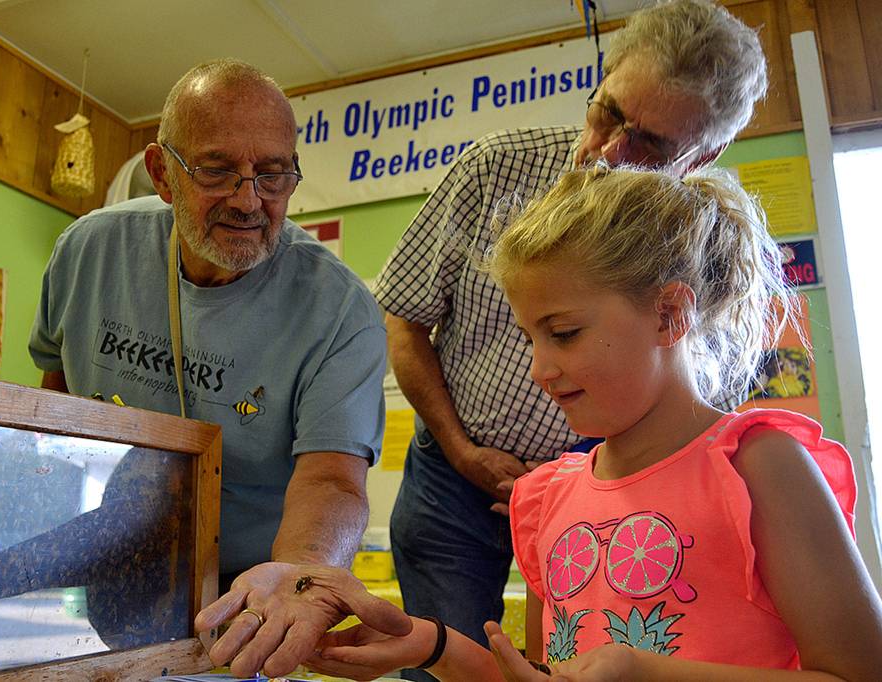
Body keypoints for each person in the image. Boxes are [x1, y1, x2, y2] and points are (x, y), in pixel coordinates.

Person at [304, 165, 882, 681]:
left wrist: (644, 672)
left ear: (669, 314)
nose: (539, 370)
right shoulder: (544, 498)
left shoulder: (758, 466)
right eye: (530, 338)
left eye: (563, 333)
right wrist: (429, 646)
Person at [372, 0, 769, 671]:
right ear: (604, 74)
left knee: (583, 659)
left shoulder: (702, 242)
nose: (611, 152)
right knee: (442, 660)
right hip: (454, 470)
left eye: (651, 145)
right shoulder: (494, 169)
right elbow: (404, 319)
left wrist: (581, 477)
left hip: (607, 481)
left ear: (708, 151)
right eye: (610, 113)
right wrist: (464, 449)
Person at [29, 59, 410, 677]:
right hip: (116, 560)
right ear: (161, 172)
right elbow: (53, 395)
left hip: (251, 586)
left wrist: (301, 575)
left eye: (272, 175)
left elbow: (333, 481)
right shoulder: (88, 251)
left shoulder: (341, 308)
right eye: (217, 170)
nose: (247, 200)